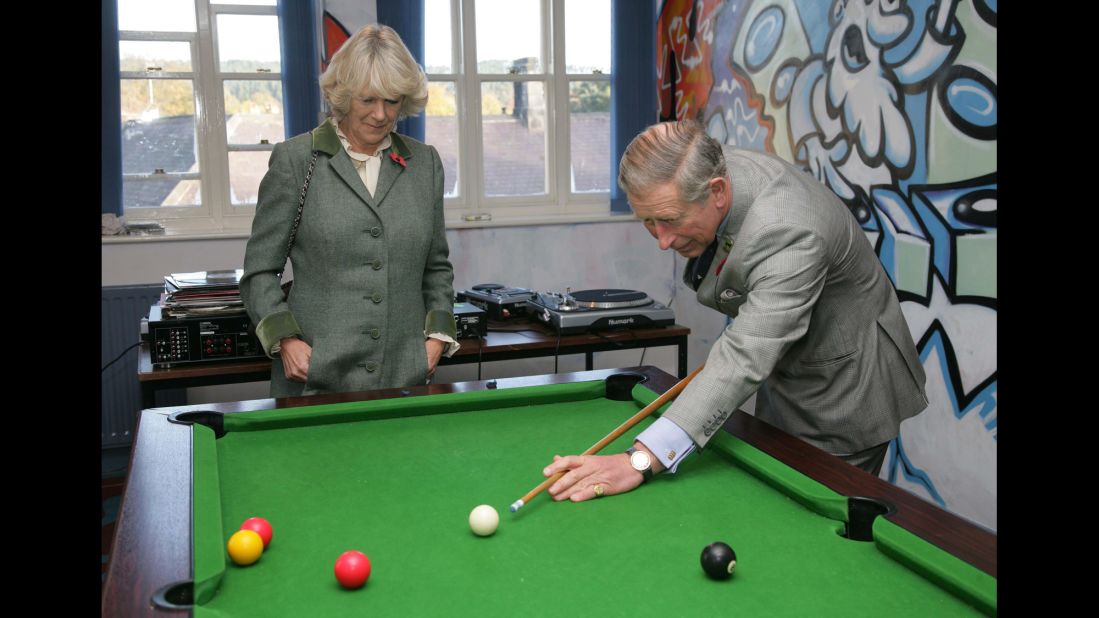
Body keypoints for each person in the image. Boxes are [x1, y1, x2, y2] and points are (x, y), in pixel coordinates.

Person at [542, 120, 928, 501]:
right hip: (790, 373)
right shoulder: (703, 164)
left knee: (808, 525)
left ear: (718, 192)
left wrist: (639, 460)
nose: (662, 241)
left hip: (845, 390)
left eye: (671, 220)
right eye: (648, 221)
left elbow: (748, 351)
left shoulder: (787, 229)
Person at [241, 24, 458, 397]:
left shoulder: (425, 163)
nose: (380, 114)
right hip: (315, 376)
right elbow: (259, 272)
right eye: (368, 100)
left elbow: (436, 266)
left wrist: (437, 339)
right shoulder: (295, 161)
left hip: (404, 375)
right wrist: (285, 339)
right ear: (342, 96)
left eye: (392, 101)